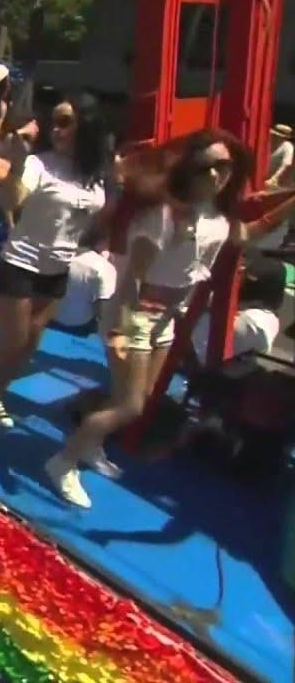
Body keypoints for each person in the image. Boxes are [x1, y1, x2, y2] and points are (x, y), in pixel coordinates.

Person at [52, 128, 295, 508]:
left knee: (141, 397)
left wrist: (290, 202)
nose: (215, 175)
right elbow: (133, 278)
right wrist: (125, 331)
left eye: (224, 167)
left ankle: (90, 446)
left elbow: (249, 233)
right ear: (189, 168)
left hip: (167, 317)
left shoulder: (218, 217)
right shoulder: (165, 216)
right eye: (206, 167)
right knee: (130, 406)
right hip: (137, 312)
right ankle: (63, 461)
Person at [0, 92, 112, 428]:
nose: (56, 130)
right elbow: (11, 199)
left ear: (85, 126)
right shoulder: (38, 164)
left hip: (57, 270)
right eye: (53, 123)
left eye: (65, 122)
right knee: (12, 340)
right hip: (20, 264)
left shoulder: (94, 172)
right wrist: (16, 163)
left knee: (30, 344)